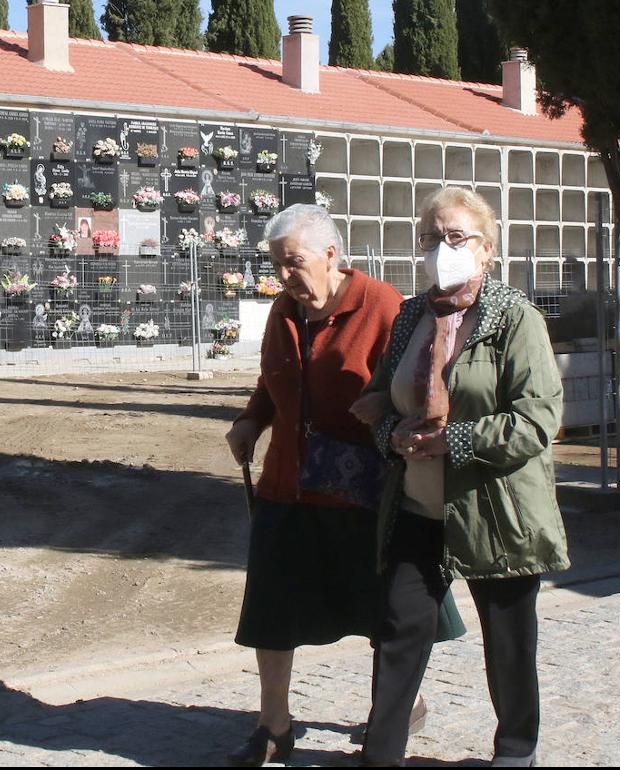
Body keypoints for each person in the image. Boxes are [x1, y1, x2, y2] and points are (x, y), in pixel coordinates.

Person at [225, 204, 462, 767]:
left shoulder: (382, 307)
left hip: (364, 492)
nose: (283, 278)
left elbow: (413, 385)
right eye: (277, 266)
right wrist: (251, 420)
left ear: (331, 254)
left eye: (293, 263)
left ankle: (400, 708)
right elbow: (274, 379)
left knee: (384, 612)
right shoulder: (284, 310)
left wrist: (380, 411)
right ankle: (274, 725)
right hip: (288, 484)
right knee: (272, 607)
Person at [352, 187, 569, 767]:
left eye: (455, 237)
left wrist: (452, 440)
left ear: (488, 250)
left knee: (509, 645)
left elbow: (536, 421)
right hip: (418, 507)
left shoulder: (515, 319)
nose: (440, 250)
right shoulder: (409, 316)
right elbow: (379, 399)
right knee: (398, 632)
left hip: (494, 510)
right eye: (430, 238)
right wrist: (391, 435)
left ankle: (516, 751)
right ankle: (381, 755)